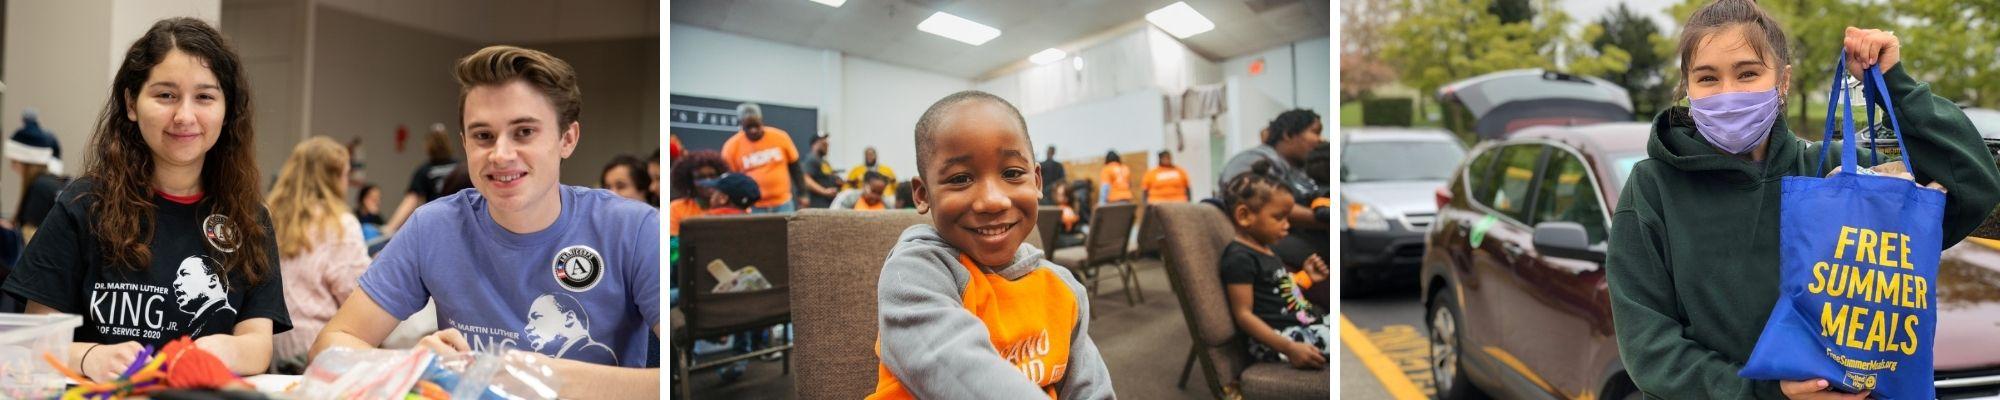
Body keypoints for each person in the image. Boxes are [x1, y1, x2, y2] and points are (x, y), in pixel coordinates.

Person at [1605, 1, 2000, 398]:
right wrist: (1767, 393)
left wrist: (1894, 84)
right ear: (1687, 87)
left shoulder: (1836, 173)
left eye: (1747, 73)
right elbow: (1649, 349)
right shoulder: (1652, 187)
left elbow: (1972, 187)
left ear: (1783, 81)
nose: (1728, 94)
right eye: (1707, 78)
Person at [311, 45, 660, 398]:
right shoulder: (434, 227)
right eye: (483, 136)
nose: (501, 155)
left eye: (524, 132)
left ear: (567, 139)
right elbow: (330, 346)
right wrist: (417, 366)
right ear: (464, 145)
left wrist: (545, 377)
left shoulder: (633, 229)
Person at [1, 18, 290, 381]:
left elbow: (257, 346)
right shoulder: (84, 205)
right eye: (165, 95)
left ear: (227, 110)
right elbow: (33, 340)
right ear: (131, 103)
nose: (184, 116)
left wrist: (220, 350)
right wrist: (91, 357)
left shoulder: (249, 219)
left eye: (204, 97)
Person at [868, 90, 1113, 399]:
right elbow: (958, 374)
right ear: (922, 194)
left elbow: (1091, 389)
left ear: (1037, 182)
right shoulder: (914, 274)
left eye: (1012, 173)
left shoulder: (1062, 287)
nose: (993, 201)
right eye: (960, 179)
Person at [266, 137, 371, 373]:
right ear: (333, 179)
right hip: (320, 353)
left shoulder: (269, 218)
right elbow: (356, 298)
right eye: (345, 175)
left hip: (274, 350)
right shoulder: (340, 225)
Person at [1221, 161, 1328, 370]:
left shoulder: (1266, 250)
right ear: (1244, 216)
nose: (1287, 225)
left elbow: (1280, 294)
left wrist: (1306, 278)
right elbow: (1243, 315)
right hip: (1280, 340)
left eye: (1288, 217)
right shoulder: (1239, 258)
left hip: (1301, 325)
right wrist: (1289, 348)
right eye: (1279, 217)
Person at [720, 103, 801, 214]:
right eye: (748, 127)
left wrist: (803, 193)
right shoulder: (731, 147)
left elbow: (795, 168)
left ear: (761, 120)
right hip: (753, 206)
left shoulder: (781, 137)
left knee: (786, 231)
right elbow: (731, 180)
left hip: (783, 203)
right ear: (741, 124)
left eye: (756, 126)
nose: (753, 130)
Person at [382, 124, 460, 234]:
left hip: (437, 226)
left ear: (428, 145)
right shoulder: (460, 168)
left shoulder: (424, 171)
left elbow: (410, 201)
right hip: (459, 223)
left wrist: (389, 228)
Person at [7, 108, 68, 241]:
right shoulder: (49, 183)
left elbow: (30, 240)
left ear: (28, 163)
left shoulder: (40, 187)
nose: (11, 166)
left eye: (14, 161)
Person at [668, 151, 729, 237]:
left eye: (712, 176)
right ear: (690, 182)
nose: (708, 181)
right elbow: (673, 244)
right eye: (701, 177)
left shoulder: (732, 205)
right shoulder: (676, 208)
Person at [799, 132, 841, 208]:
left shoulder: (824, 162)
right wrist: (824, 191)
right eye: (824, 144)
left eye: (827, 145)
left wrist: (838, 182)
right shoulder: (811, 159)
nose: (827, 146)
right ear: (815, 144)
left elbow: (828, 178)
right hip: (816, 205)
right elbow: (805, 179)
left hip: (828, 205)